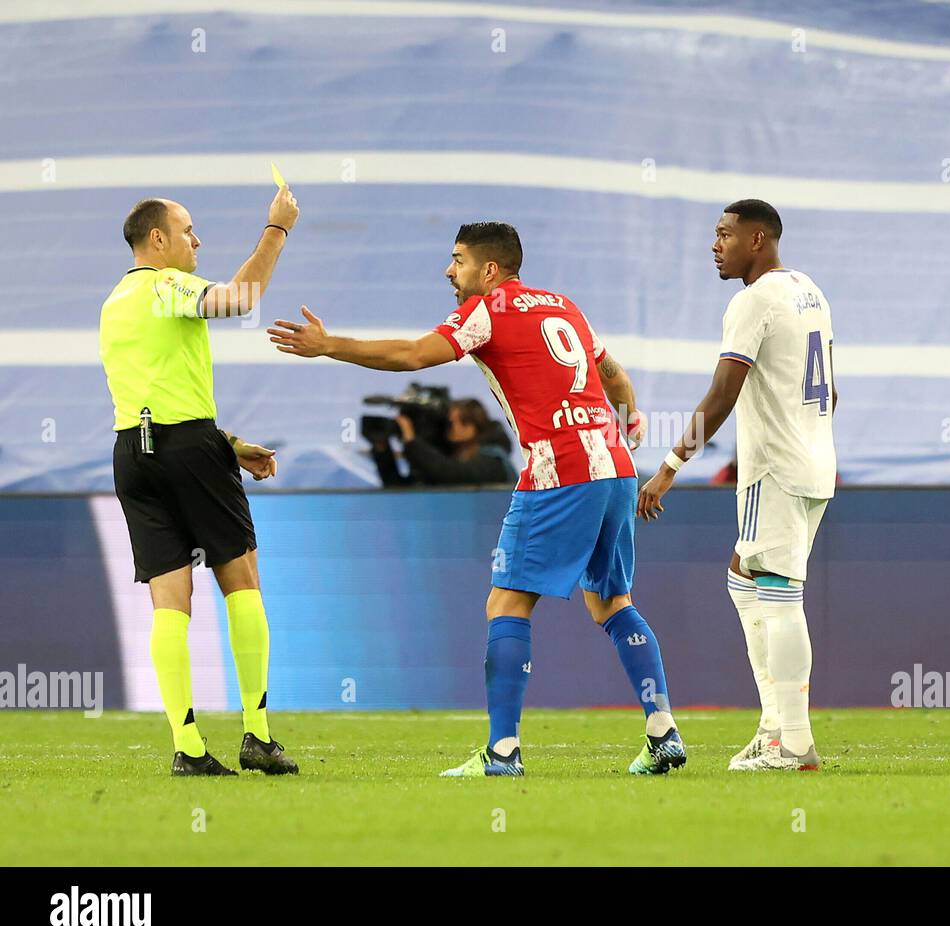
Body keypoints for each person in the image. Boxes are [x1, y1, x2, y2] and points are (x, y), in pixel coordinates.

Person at [268, 221, 685, 776]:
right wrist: (629, 417)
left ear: (489, 270)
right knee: (612, 601)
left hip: (558, 470)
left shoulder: (489, 309)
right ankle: (663, 734)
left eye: (458, 260)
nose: (449, 270)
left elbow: (415, 355)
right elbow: (612, 373)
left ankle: (503, 752)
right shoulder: (564, 305)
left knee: (506, 605)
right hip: (615, 467)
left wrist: (329, 346)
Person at [99, 187, 301, 776]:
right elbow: (240, 298)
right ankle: (257, 736)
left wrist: (230, 445)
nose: (197, 241)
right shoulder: (168, 286)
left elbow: (154, 393)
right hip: (188, 447)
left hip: (132, 455)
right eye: (188, 230)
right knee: (241, 582)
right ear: (156, 239)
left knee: (169, 602)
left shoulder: (114, 303)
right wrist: (277, 229)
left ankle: (187, 749)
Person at [638, 200, 836, 771]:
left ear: (758, 239)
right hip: (816, 462)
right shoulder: (809, 291)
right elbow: (829, 389)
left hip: (774, 467)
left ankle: (794, 742)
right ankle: (774, 725)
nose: (714, 245)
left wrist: (670, 465)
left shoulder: (752, 301)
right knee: (743, 574)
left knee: (779, 594)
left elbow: (722, 393)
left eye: (724, 234)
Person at [372, 398, 513, 486]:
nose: (453, 426)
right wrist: (383, 450)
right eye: (450, 421)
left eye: (462, 421)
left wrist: (412, 441)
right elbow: (403, 489)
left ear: (476, 425)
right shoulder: (452, 454)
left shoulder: (494, 458)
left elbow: (455, 474)